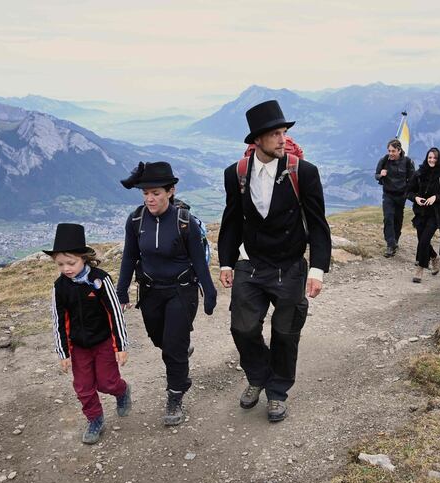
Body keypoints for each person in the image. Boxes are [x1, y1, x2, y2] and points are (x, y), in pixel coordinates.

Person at [218, 100, 331, 423]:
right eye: (276, 134)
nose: (283, 139)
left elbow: (318, 224)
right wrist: (226, 262)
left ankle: (277, 392)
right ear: (257, 140)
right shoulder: (236, 174)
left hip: (290, 265)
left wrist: (318, 269)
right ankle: (258, 375)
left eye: (284, 132)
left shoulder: (303, 173)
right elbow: (231, 221)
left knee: (285, 332)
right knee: (242, 327)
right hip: (250, 264)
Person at [116, 161, 216, 427]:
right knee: (159, 339)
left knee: (172, 348)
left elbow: (198, 261)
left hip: (181, 292)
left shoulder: (185, 223)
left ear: (170, 191)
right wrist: (122, 290)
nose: (150, 198)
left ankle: (175, 395)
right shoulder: (136, 220)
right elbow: (129, 257)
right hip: (150, 292)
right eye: (145, 193)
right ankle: (180, 350)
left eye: (156, 193)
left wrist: (210, 291)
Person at [46, 223, 130, 445]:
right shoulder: (59, 287)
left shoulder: (100, 280)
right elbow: (59, 320)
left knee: (107, 383)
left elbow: (115, 313)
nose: (66, 268)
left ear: (84, 258)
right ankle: (95, 419)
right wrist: (63, 352)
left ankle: (121, 391)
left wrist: (120, 346)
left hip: (102, 342)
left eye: (71, 262)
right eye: (60, 264)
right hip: (79, 346)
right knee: (83, 387)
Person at [406, 147, 440, 283]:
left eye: (434, 158)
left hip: (436, 214)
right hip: (420, 213)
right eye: (429, 158)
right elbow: (408, 191)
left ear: (438, 159)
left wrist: (436, 198)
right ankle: (434, 257)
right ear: (426, 158)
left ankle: (420, 269)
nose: (432, 160)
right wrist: (415, 198)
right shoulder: (419, 173)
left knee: (423, 241)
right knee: (423, 241)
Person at [374, 139, 415, 257]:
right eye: (389, 151)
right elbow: (376, 176)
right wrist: (381, 175)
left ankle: (395, 241)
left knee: (398, 219)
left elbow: (412, 179)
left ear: (399, 150)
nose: (391, 153)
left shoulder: (407, 162)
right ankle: (390, 245)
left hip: (401, 195)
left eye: (393, 151)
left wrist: (408, 192)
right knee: (388, 218)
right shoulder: (384, 160)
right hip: (388, 194)